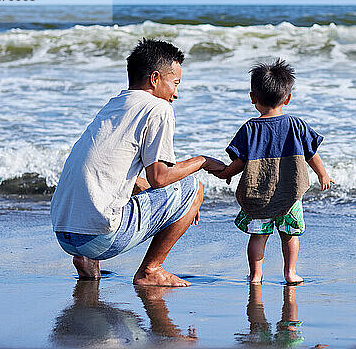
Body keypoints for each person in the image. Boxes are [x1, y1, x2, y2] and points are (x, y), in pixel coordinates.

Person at [50, 38, 225, 287]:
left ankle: (87, 261)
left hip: (64, 234)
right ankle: (151, 270)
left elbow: (113, 173)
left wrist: (157, 194)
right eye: (175, 83)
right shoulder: (158, 108)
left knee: (131, 188)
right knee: (192, 188)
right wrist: (203, 161)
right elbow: (160, 177)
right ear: (155, 79)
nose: (176, 94)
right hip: (99, 238)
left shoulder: (114, 104)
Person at [212, 59, 333, 284]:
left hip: (259, 195)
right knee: (290, 235)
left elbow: (240, 161)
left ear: (253, 98)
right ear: (287, 98)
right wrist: (322, 174)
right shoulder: (297, 125)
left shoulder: (250, 128)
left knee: (258, 236)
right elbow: (311, 153)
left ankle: (256, 276)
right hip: (290, 194)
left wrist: (227, 172)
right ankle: (290, 273)